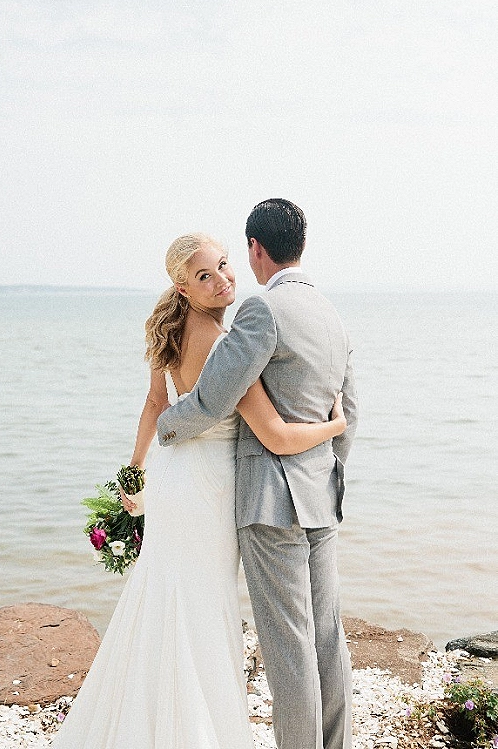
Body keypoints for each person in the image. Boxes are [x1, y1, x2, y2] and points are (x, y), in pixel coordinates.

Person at [50, 232, 348, 749]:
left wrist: (135, 472)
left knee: (165, 592)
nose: (222, 280)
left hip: (172, 478)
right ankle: (195, 727)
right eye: (204, 276)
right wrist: (334, 428)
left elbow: (154, 405)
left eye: (224, 266)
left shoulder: (169, 335)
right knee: (205, 603)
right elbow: (275, 434)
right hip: (211, 487)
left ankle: (145, 716)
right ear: (183, 288)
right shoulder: (226, 345)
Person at [157, 201, 358, 749]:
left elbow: (214, 399)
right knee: (327, 639)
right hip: (322, 495)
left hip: (271, 503)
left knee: (289, 650)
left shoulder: (260, 311)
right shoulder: (331, 314)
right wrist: (328, 475)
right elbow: (350, 415)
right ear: (301, 244)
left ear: (255, 248)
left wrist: (166, 428)